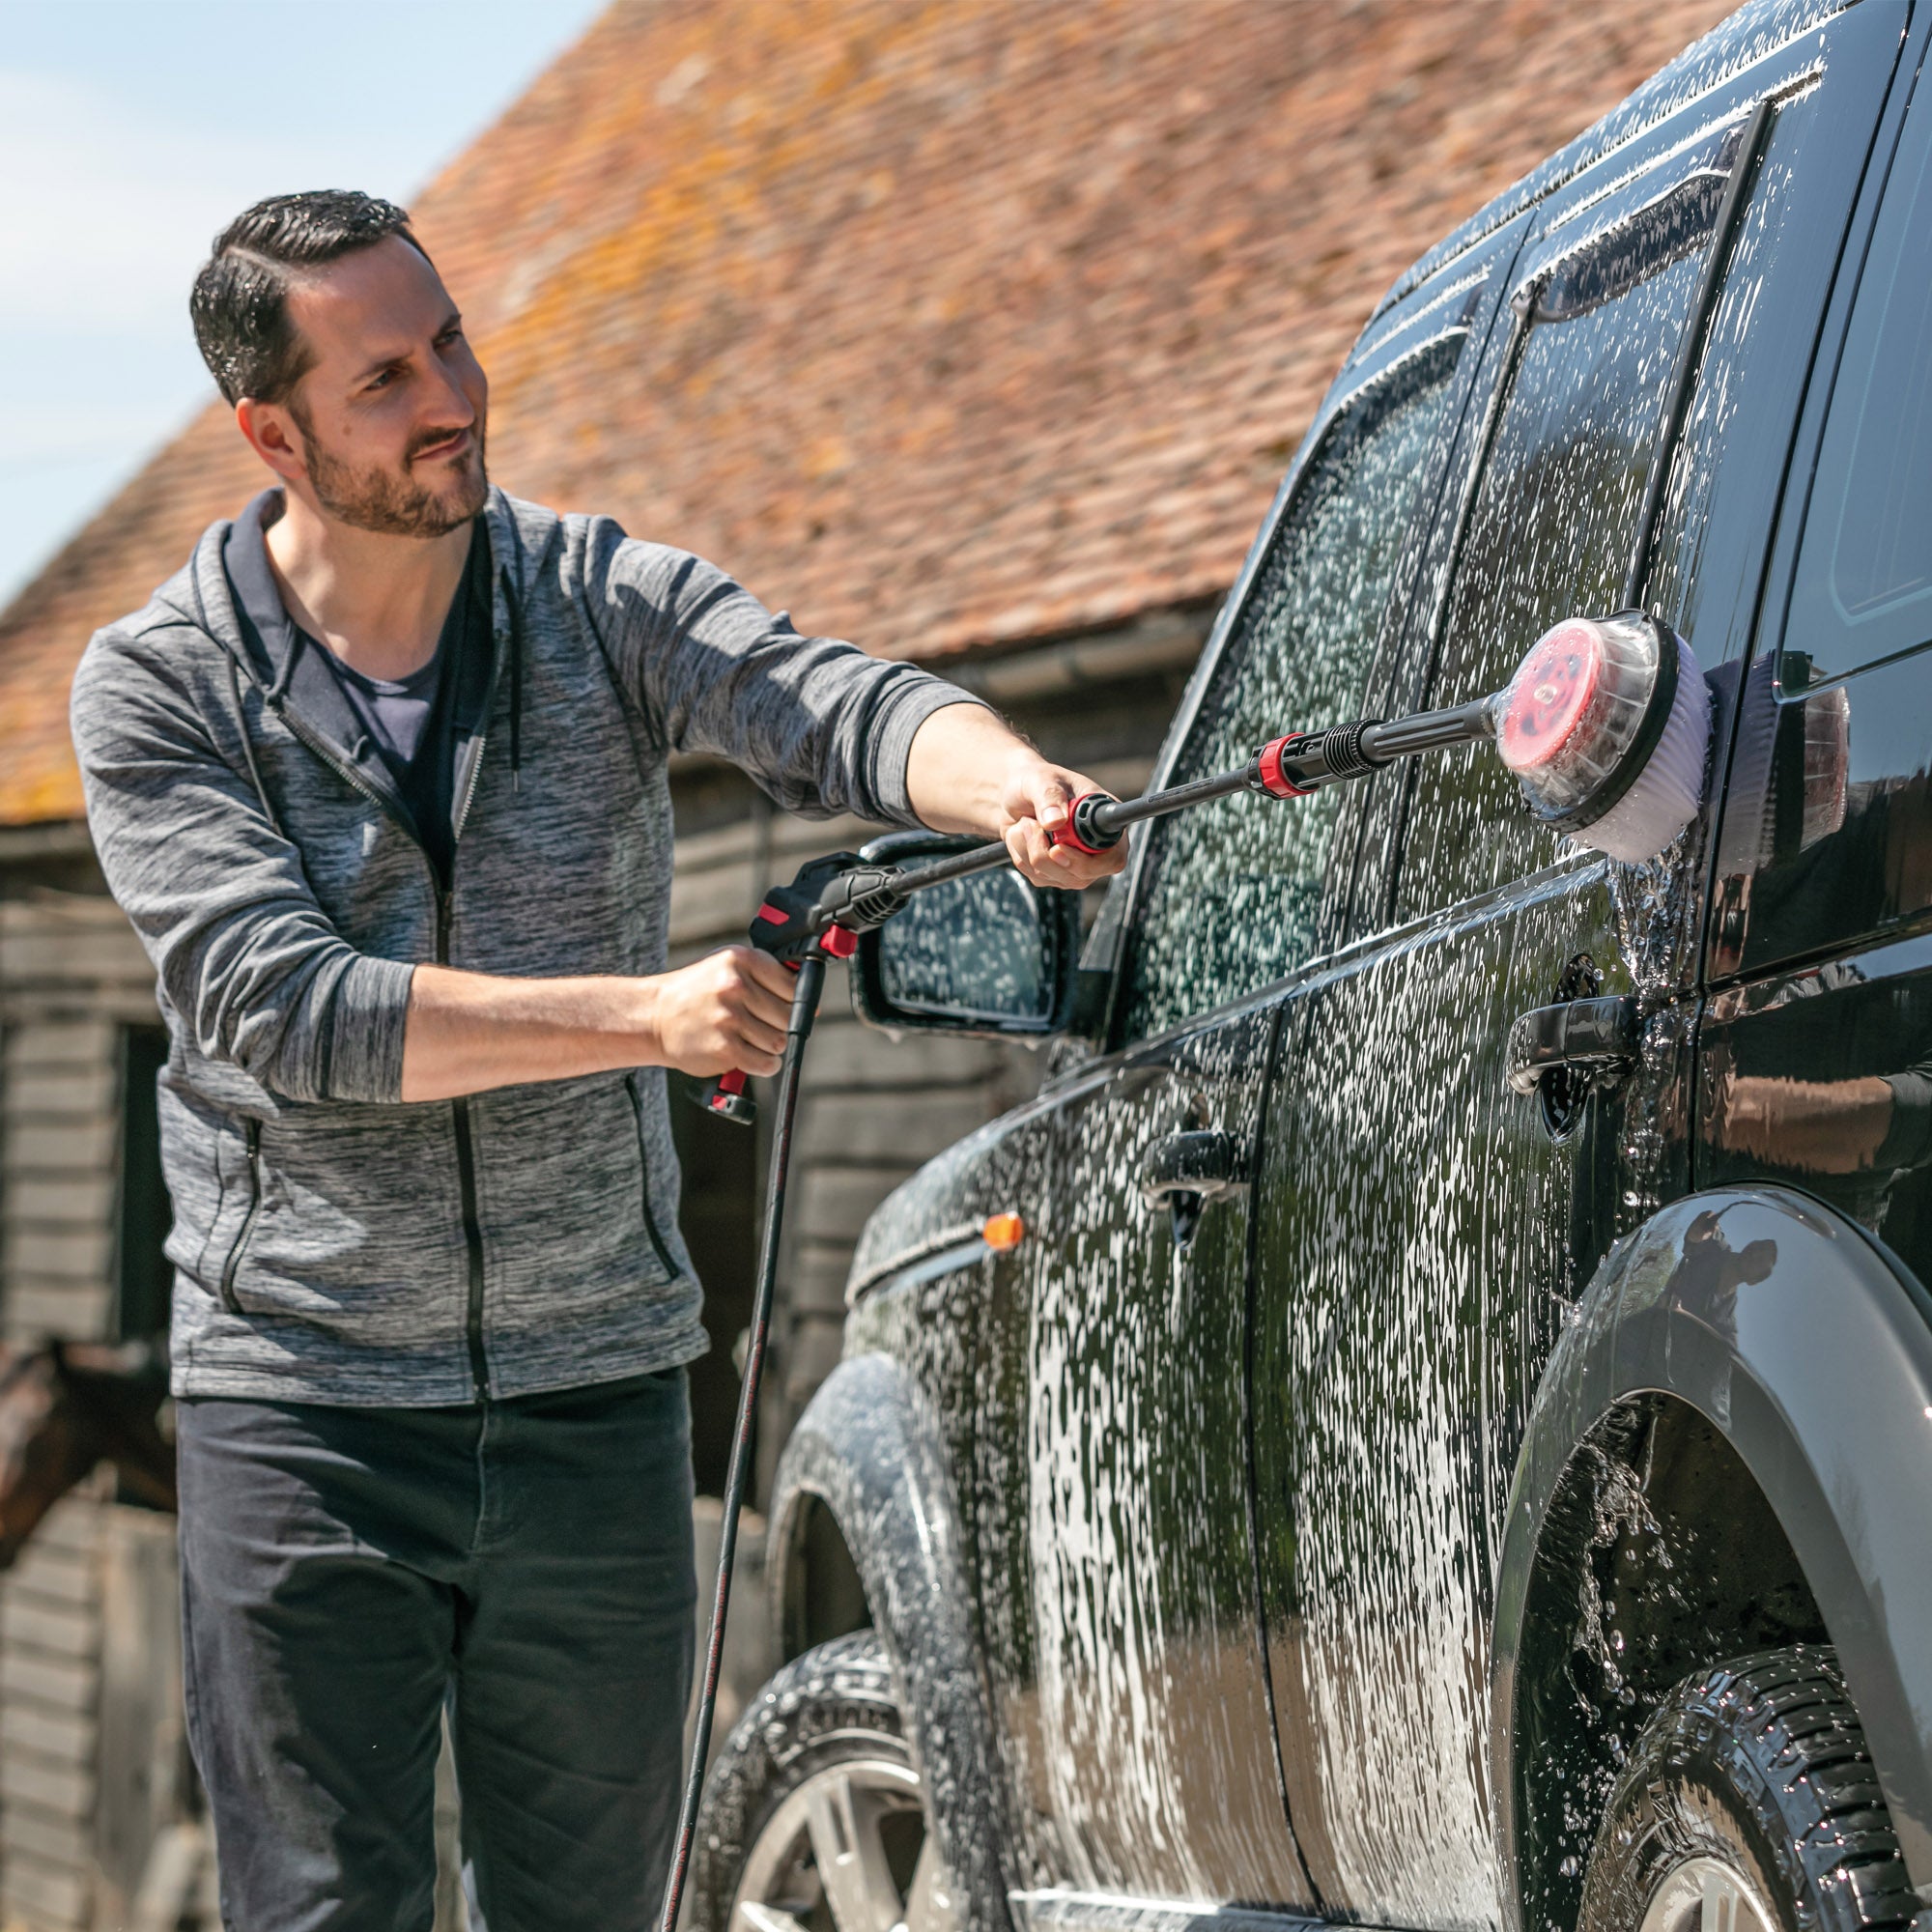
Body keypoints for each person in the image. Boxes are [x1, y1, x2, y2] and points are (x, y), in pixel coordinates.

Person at [70, 189, 1123, 1932]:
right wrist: (643, 1015)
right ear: (273, 432)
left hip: (597, 1407)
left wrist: (1000, 779)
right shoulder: (161, 688)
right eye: (388, 376)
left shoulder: (592, 601)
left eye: (453, 340)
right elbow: (286, 1010)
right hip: (307, 1415)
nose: (451, 396)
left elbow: (829, 701)